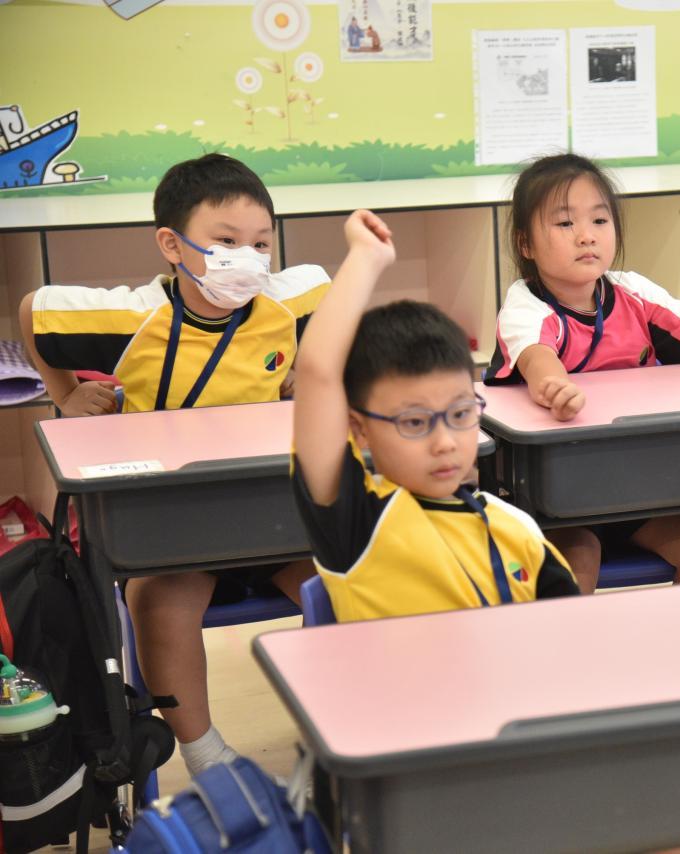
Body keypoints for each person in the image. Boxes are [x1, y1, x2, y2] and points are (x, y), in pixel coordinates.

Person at [18, 152, 329, 776]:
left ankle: (337, 729)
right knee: (161, 604)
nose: (248, 258)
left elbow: (329, 314)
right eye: (226, 242)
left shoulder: (292, 299)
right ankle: (208, 756)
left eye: (260, 243)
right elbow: (31, 309)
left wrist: (302, 369)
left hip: (272, 518)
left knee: (351, 582)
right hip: (174, 531)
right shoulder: (131, 317)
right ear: (171, 244)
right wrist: (65, 394)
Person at [484, 152, 680, 595]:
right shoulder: (525, 305)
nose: (586, 235)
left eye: (599, 220)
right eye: (565, 223)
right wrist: (555, 389)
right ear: (525, 244)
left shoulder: (633, 291)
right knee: (577, 560)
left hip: (639, 485)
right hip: (556, 498)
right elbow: (537, 358)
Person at [291, 209, 578, 622]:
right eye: (414, 423)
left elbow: (568, 634)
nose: (444, 442)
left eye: (460, 414)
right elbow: (317, 373)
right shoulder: (359, 522)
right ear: (359, 429)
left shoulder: (513, 528)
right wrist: (366, 258)